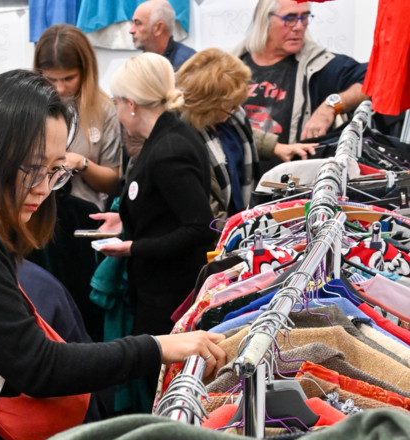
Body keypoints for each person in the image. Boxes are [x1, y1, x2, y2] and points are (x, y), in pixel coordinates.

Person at [0, 68, 224, 440]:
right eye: (33, 169)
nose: (45, 188)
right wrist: (157, 348)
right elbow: (39, 366)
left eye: (55, 170)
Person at [91, 53, 217, 337]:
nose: (117, 110)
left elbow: (200, 227)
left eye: (116, 102)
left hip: (168, 297)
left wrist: (133, 247)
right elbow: (165, 205)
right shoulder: (173, 132)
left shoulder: (168, 151)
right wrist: (125, 218)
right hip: (163, 290)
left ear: (131, 104)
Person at [32, 24, 122, 342]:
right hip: (40, 233)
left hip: (86, 233)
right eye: (50, 78)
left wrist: (81, 163)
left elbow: (114, 181)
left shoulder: (105, 110)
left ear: (85, 70)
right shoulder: (31, 109)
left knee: (84, 319)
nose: (58, 88)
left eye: (68, 78)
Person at [176, 48, 317, 222]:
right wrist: (238, 233)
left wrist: (276, 147)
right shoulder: (183, 143)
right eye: (231, 105)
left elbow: (243, 135)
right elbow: (207, 215)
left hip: (240, 217)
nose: (237, 109)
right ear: (209, 106)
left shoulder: (231, 117)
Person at [235, 0, 368, 142]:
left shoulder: (319, 66)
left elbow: (376, 80)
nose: (299, 27)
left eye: (304, 18)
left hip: (294, 163)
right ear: (264, 20)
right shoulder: (232, 65)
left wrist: (331, 105)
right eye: (290, 19)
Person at [130, 0, 195, 70]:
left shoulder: (190, 65)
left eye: (138, 23)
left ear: (158, 28)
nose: (131, 30)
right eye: (132, 23)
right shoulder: (140, 64)